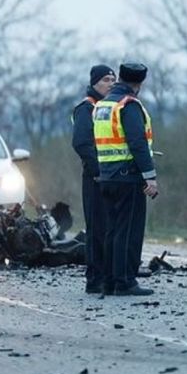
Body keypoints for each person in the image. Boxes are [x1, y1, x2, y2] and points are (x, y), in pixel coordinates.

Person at [94, 63, 158, 296]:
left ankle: (109, 280)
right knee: (127, 231)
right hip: (128, 177)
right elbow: (137, 143)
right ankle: (125, 282)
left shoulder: (103, 104)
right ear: (138, 84)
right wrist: (150, 177)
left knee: (112, 231)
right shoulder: (128, 105)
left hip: (107, 175)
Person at [72, 65, 116, 294]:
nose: (111, 83)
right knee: (97, 228)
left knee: (110, 228)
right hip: (95, 177)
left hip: (113, 177)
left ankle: (109, 275)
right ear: (95, 83)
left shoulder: (110, 108)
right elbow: (81, 143)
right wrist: (98, 170)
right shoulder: (86, 108)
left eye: (113, 79)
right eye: (106, 79)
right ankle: (94, 278)